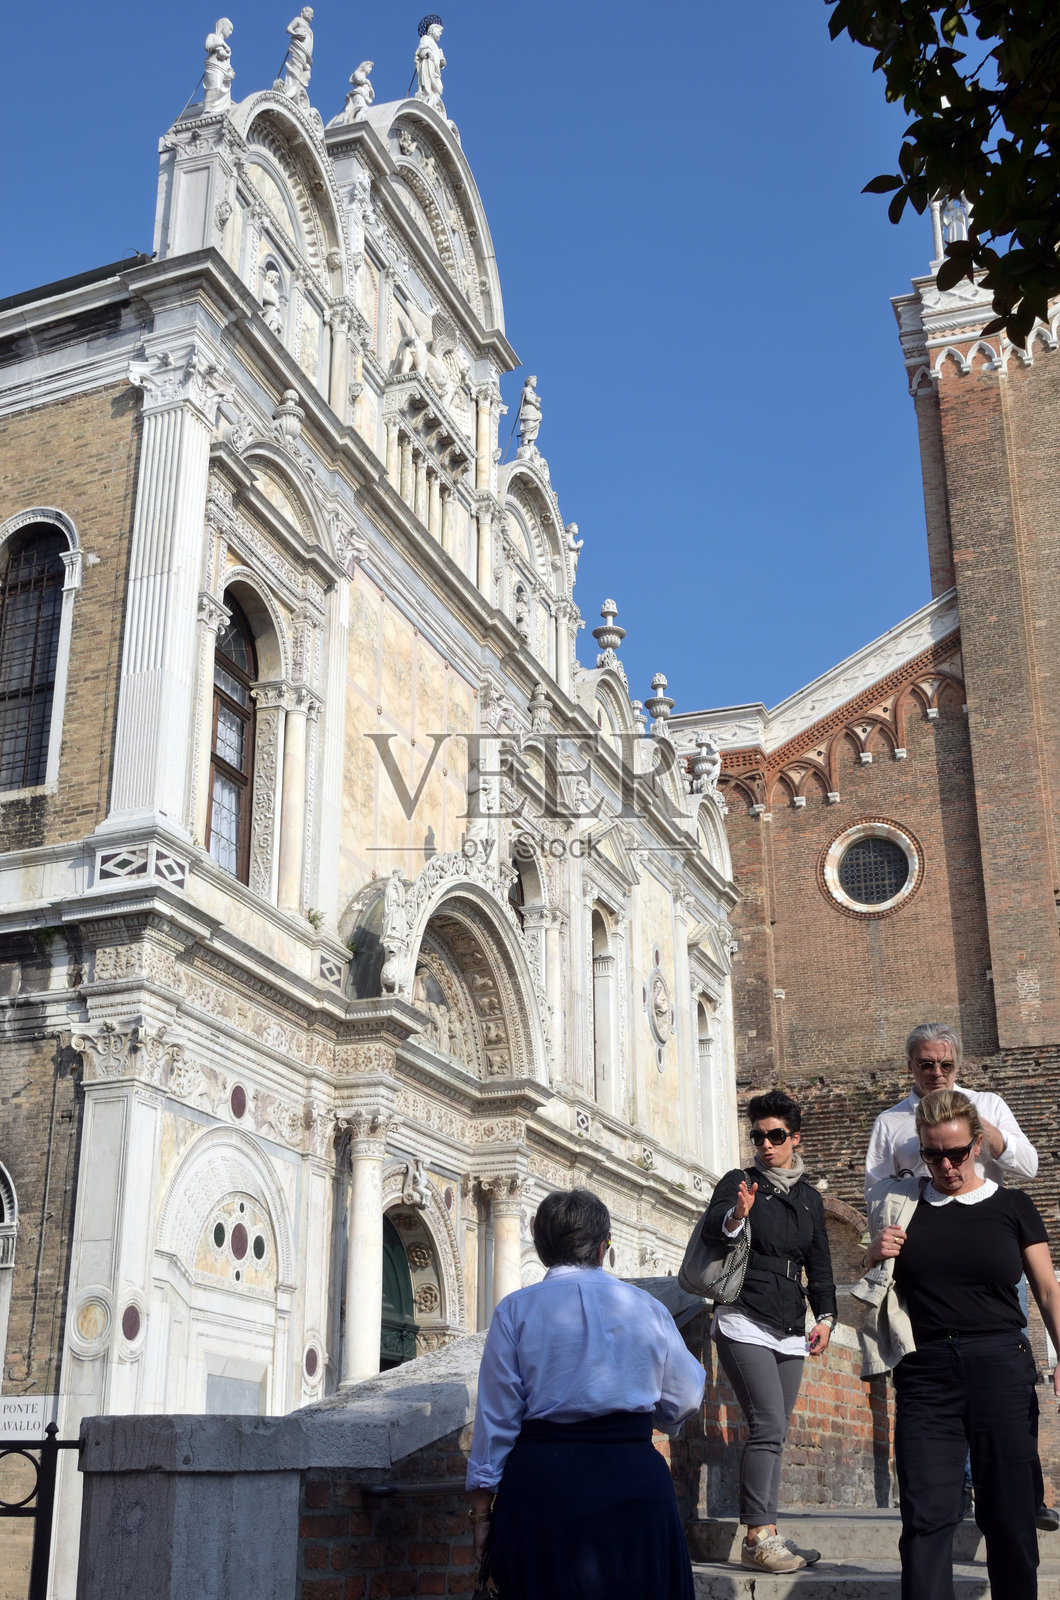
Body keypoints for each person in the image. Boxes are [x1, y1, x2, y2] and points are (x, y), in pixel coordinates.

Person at [864, 1089, 1060, 1600]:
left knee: (1010, 1516)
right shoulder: (898, 1208)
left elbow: (1045, 1289)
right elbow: (874, 1289)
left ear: (978, 1144)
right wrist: (872, 1255)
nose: (946, 1165)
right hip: (926, 1370)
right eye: (932, 1155)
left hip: (1000, 1364)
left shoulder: (1013, 1206)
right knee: (926, 1516)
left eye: (956, 1152)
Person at [466, 1187, 704, 1600]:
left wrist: (482, 1514)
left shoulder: (514, 1311)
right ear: (603, 1248)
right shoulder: (646, 1308)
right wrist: (654, 1420)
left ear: (540, 1247)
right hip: (634, 1483)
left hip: (543, 1490)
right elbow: (685, 1397)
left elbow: (496, 1420)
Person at [701, 1090, 837, 1574]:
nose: (765, 1144)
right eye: (757, 1136)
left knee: (776, 1432)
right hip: (742, 1316)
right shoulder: (740, 1182)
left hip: (789, 1324)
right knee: (768, 1425)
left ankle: (769, 1531)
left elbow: (819, 1264)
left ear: (795, 1138)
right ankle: (758, 1535)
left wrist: (825, 1317)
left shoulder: (809, 1198)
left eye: (775, 1136)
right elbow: (713, 1234)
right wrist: (738, 1215)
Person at [865, 1022, 1037, 1194]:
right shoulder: (888, 1122)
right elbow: (877, 1190)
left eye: (946, 1065)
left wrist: (977, 1125)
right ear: (910, 1065)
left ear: (958, 1065)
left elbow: (1028, 1168)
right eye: (927, 1065)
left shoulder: (989, 1104)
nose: (937, 1073)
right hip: (923, 1219)